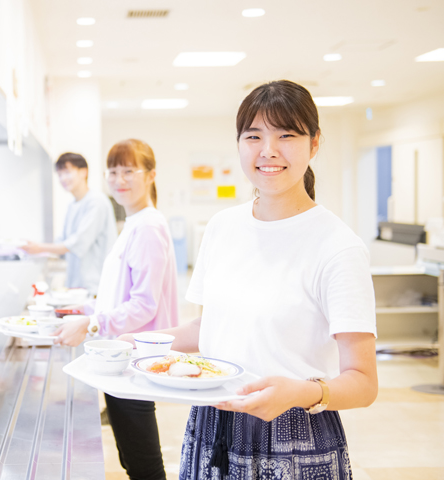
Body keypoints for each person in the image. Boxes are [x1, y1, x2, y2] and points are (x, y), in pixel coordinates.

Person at [122, 81, 378, 479]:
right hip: (212, 423)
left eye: (286, 135)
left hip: (297, 435)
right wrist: (133, 344)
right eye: (253, 136)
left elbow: (363, 383)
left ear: (313, 144)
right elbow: (209, 326)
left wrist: (304, 392)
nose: (268, 150)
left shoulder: (338, 247)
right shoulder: (223, 227)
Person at [55, 140, 179, 480]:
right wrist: (83, 309)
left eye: (128, 171)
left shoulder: (149, 227)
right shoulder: (134, 223)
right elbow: (121, 294)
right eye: (112, 171)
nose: (119, 179)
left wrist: (92, 323)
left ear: (151, 175)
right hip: (121, 358)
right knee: (133, 459)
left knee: (144, 465)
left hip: (135, 359)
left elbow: (144, 305)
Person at [22, 153, 117, 295]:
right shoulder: (72, 205)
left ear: (83, 172)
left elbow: (77, 243)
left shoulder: (96, 202)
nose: (63, 179)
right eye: (59, 174)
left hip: (95, 286)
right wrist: (35, 250)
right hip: (76, 286)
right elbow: (62, 241)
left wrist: (39, 247)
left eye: (67, 172)